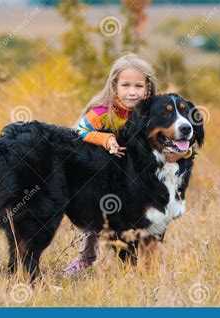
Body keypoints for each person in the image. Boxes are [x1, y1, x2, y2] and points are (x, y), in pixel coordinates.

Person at [63, 53, 188, 275]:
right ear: (114, 87)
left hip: (137, 176)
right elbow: (78, 131)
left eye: (139, 85)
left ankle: (148, 263)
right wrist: (106, 139)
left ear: (148, 88)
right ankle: (85, 258)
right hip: (104, 172)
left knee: (144, 216)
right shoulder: (103, 112)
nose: (132, 92)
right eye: (126, 85)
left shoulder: (151, 111)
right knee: (98, 220)